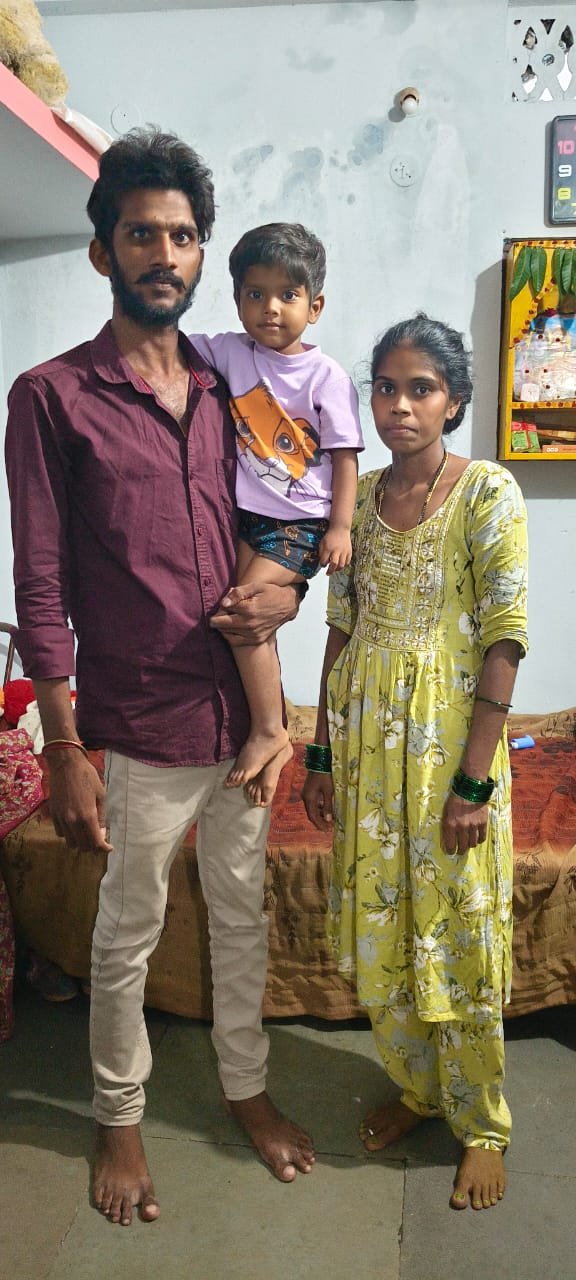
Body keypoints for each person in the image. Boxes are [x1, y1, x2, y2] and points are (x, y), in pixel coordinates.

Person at [5, 128, 316, 1228]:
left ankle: (246, 1088)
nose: (165, 254)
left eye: (182, 236)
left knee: (241, 916)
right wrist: (63, 743)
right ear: (104, 251)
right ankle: (119, 1116)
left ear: (200, 252)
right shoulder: (51, 396)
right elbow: (40, 579)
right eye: (142, 233)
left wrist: (290, 590)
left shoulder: (237, 384)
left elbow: (296, 506)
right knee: (126, 931)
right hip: (140, 721)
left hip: (248, 722)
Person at [302, 315, 529, 1212]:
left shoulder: (487, 493)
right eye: (387, 388)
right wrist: (321, 753)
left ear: (455, 401)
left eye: (421, 388)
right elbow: (340, 629)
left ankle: (481, 1124)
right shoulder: (355, 502)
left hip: (446, 753)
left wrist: (475, 781)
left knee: (458, 932)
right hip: (365, 753)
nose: (400, 405)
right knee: (383, 925)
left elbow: (505, 639)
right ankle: (418, 1090)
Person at [190, 223, 363, 805]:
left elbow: (345, 458)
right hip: (245, 519)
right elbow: (166, 344)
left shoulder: (326, 376)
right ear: (237, 299)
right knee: (252, 623)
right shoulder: (228, 352)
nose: (270, 307)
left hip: (302, 524)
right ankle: (270, 724)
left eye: (287, 295)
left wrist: (340, 527)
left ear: (314, 307)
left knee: (240, 612)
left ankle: (271, 731)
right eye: (255, 293)